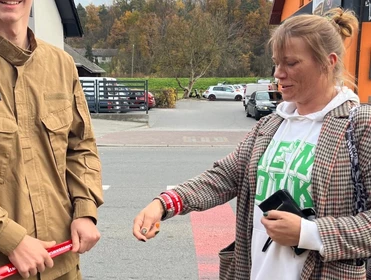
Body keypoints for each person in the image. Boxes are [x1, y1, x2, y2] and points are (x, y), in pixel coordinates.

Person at [133, 7, 371, 279]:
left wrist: (309, 233)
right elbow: (224, 177)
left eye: (291, 63)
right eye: (276, 63)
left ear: (328, 62)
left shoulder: (359, 125)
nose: (278, 74)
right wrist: (164, 204)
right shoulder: (271, 125)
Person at [0, 0, 103, 279]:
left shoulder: (61, 65)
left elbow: (80, 146)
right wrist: (9, 237)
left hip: (60, 263)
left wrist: (85, 209)